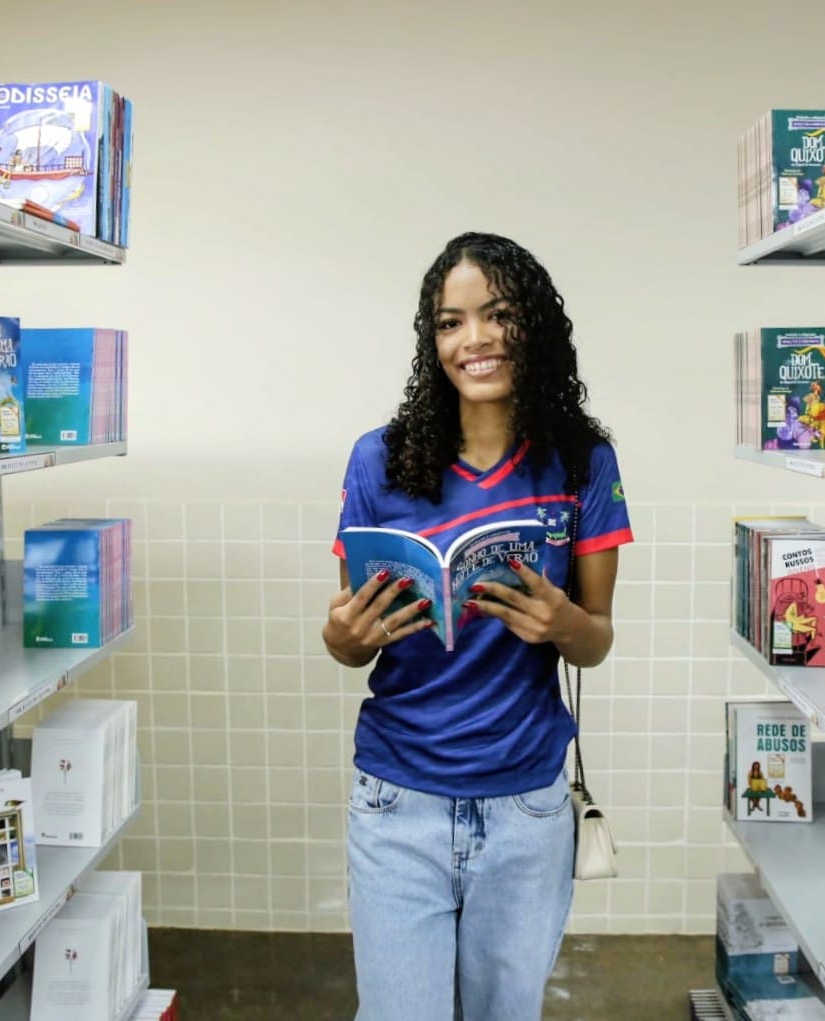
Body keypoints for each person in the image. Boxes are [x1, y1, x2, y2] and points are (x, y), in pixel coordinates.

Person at [322, 232, 633, 1021]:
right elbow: (346, 637)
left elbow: (595, 640)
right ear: (433, 343)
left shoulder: (581, 462)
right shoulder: (378, 460)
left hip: (526, 804)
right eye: (450, 322)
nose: (474, 340)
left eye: (496, 315)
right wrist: (345, 638)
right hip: (398, 799)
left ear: (532, 325)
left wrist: (563, 620)